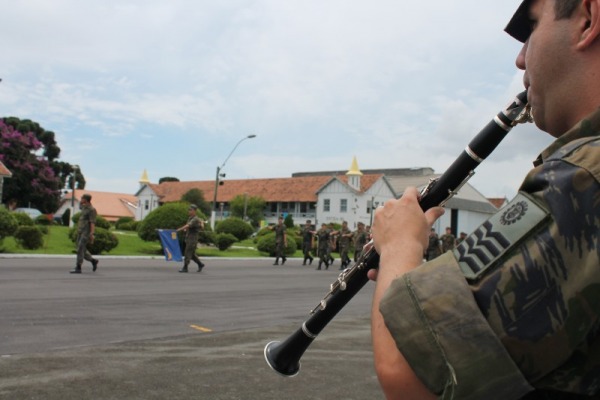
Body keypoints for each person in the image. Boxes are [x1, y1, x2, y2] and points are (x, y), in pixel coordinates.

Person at [368, 0, 600, 398]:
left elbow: (410, 375)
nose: (520, 59)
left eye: (530, 28)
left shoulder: (583, 176)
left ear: (588, 18)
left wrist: (399, 247)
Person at [70, 193, 99, 274]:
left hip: (86, 232)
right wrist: (81, 202)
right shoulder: (84, 207)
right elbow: (80, 206)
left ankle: (78, 267)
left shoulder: (91, 210)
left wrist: (92, 234)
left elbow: (92, 222)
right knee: (81, 249)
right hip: (80, 231)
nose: (81, 199)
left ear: (86, 199)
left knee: (80, 249)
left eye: (82, 198)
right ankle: (93, 261)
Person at [176, 204, 205, 273]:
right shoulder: (190, 218)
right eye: (189, 210)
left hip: (192, 239)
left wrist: (179, 229)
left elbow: (188, 225)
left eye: (190, 210)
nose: (189, 211)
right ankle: (200, 264)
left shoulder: (195, 219)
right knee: (191, 254)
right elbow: (188, 227)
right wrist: (185, 229)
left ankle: (185, 268)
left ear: (194, 211)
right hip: (188, 238)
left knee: (187, 253)